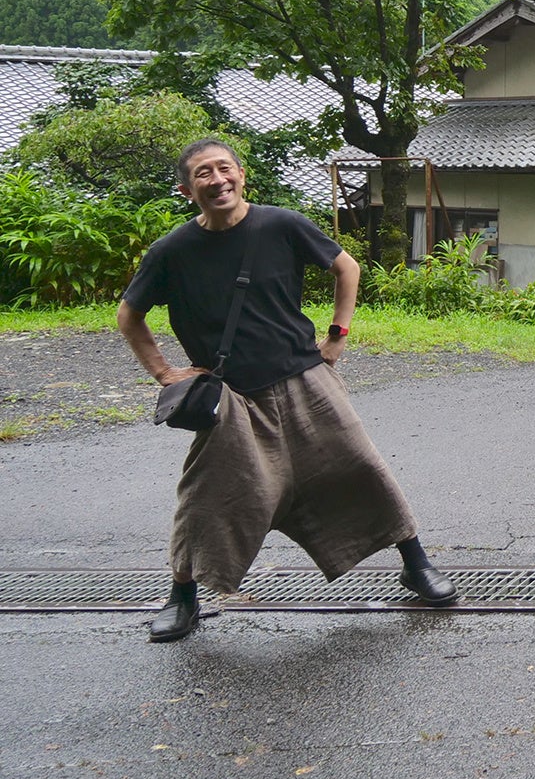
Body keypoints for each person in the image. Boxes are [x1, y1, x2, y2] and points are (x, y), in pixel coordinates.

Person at [116, 139, 457, 643]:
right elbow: (129, 315)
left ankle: (416, 564)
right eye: (204, 173)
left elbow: (346, 267)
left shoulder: (281, 224)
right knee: (206, 498)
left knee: (362, 468)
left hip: (304, 377)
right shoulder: (173, 250)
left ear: (241, 175)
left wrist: (337, 336)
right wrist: (165, 373)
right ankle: (182, 596)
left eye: (224, 168)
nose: (217, 180)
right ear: (187, 190)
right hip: (232, 397)